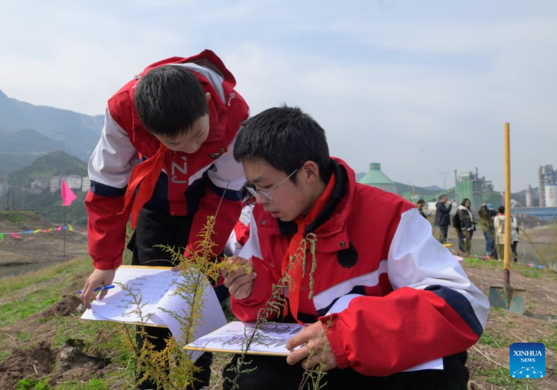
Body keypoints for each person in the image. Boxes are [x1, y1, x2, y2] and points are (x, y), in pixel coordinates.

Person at [221, 106, 489, 389]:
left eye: (266, 187)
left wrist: (347, 336)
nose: (260, 201)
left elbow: (462, 305)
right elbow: (269, 309)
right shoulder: (265, 221)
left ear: (309, 172)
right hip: (306, 351)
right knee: (243, 379)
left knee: (441, 377)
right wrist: (250, 289)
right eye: (252, 189)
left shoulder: (390, 216)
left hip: (374, 352)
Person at [81, 50, 249, 389]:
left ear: (206, 102)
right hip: (155, 207)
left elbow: (225, 194)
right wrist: (104, 261)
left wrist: (198, 257)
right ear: (144, 124)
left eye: (198, 136)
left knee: (196, 298)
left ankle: (196, 381)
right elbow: (107, 188)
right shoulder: (123, 110)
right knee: (150, 306)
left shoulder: (234, 112)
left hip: (206, 207)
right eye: (174, 142)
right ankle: (151, 381)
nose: (188, 149)